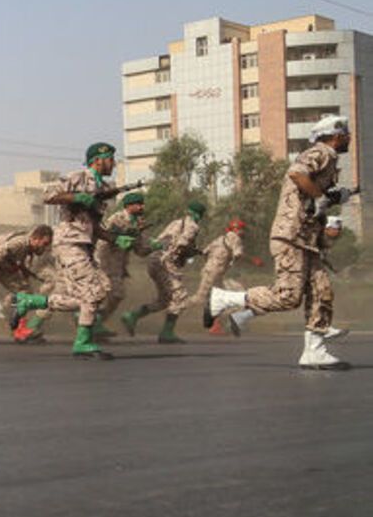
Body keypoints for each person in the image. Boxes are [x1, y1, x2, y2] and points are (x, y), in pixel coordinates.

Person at [205, 115, 354, 369]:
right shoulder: (322, 152)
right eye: (346, 133)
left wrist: (333, 195)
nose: (349, 138)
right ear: (336, 135)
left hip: (306, 239)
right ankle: (223, 300)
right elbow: (297, 174)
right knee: (288, 297)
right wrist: (321, 197)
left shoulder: (329, 159)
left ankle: (314, 351)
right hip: (292, 236)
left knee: (322, 290)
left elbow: (309, 194)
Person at [7, 143, 120, 359]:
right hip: (69, 243)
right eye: (110, 159)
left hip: (84, 245)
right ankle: (82, 342)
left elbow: (94, 226)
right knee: (92, 293)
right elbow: (48, 195)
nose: (113, 163)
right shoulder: (79, 177)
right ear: (98, 159)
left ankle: (29, 302)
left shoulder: (101, 187)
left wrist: (114, 238)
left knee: (99, 290)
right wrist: (77, 197)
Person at [122, 200, 205, 343]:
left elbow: (163, 239)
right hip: (166, 262)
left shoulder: (176, 223)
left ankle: (133, 316)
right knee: (179, 296)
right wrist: (192, 252)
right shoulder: (193, 226)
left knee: (165, 299)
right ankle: (167, 333)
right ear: (199, 215)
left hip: (154, 260)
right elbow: (182, 244)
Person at [92, 192, 155, 338]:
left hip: (118, 265)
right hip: (105, 261)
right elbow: (105, 236)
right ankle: (92, 323)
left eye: (142, 203)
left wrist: (153, 246)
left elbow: (140, 250)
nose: (142, 207)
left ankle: (96, 323)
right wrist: (123, 235)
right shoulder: (117, 218)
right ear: (128, 206)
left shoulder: (138, 222)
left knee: (116, 295)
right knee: (107, 293)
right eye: (138, 204)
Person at [194, 218, 253, 334]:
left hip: (214, 273)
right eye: (241, 229)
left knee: (218, 299)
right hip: (217, 274)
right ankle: (175, 308)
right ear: (236, 229)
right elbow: (238, 255)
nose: (243, 232)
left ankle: (217, 325)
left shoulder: (220, 239)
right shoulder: (235, 238)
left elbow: (205, 252)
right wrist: (253, 261)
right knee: (201, 298)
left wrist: (210, 265)